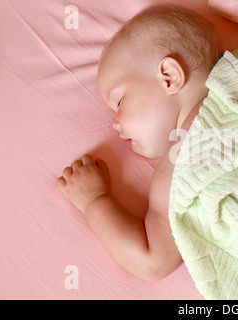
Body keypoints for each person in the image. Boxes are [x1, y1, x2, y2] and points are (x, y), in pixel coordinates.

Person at [57, 5, 223, 281]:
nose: (115, 123)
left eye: (120, 101)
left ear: (169, 77)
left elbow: (152, 261)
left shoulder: (182, 153)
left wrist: (94, 201)